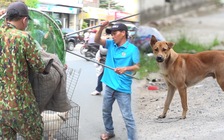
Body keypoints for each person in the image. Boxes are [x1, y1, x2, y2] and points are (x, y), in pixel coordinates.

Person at [0, 2, 45, 139]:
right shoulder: (23, 37)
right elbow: (39, 67)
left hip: (1, 107)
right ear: (24, 20)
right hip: (21, 105)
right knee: (36, 135)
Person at [94, 21, 140, 140]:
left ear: (123, 33)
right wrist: (101, 28)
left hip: (122, 89)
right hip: (109, 86)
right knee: (105, 110)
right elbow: (97, 40)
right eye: (111, 34)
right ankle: (109, 131)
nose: (112, 36)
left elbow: (138, 66)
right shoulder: (110, 44)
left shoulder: (132, 49)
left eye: (115, 34)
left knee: (127, 117)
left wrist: (126, 68)